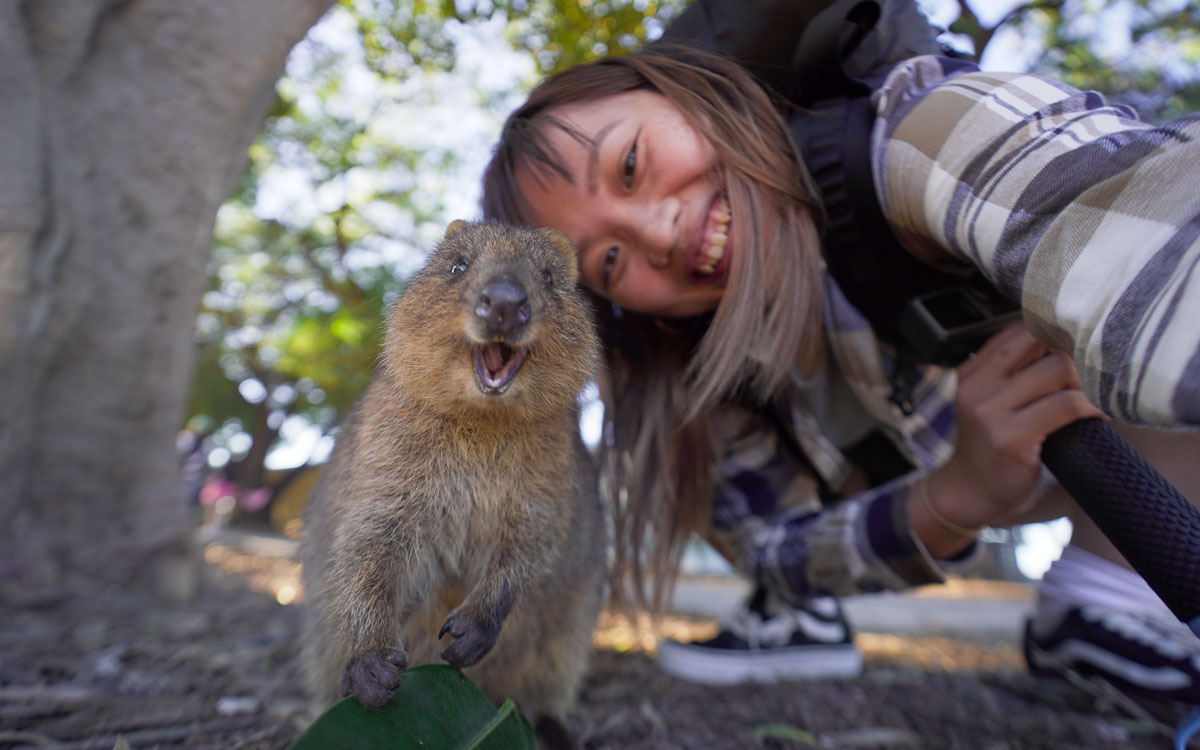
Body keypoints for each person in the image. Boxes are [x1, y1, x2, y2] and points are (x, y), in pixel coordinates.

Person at [478, 0, 1200, 703]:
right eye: (608, 263)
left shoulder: (920, 133)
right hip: (956, 469)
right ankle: (1094, 597)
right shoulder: (696, 370)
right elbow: (772, 548)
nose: (657, 235)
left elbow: (1137, 223)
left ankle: (1108, 584)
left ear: (686, 93)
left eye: (631, 164)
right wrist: (953, 498)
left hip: (1139, 447)